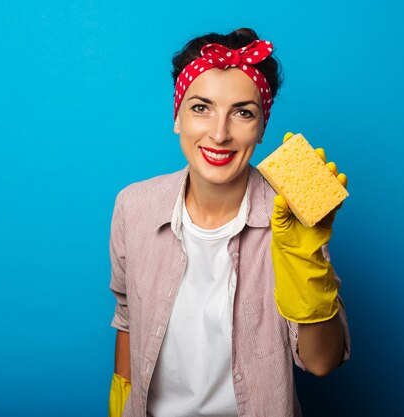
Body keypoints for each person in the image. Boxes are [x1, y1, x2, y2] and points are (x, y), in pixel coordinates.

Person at [107, 28, 351, 417]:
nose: (219, 134)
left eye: (243, 112)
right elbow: (127, 316)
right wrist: (122, 401)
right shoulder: (134, 206)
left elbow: (322, 363)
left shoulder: (291, 214)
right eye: (201, 107)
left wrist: (305, 260)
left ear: (260, 128)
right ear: (177, 116)